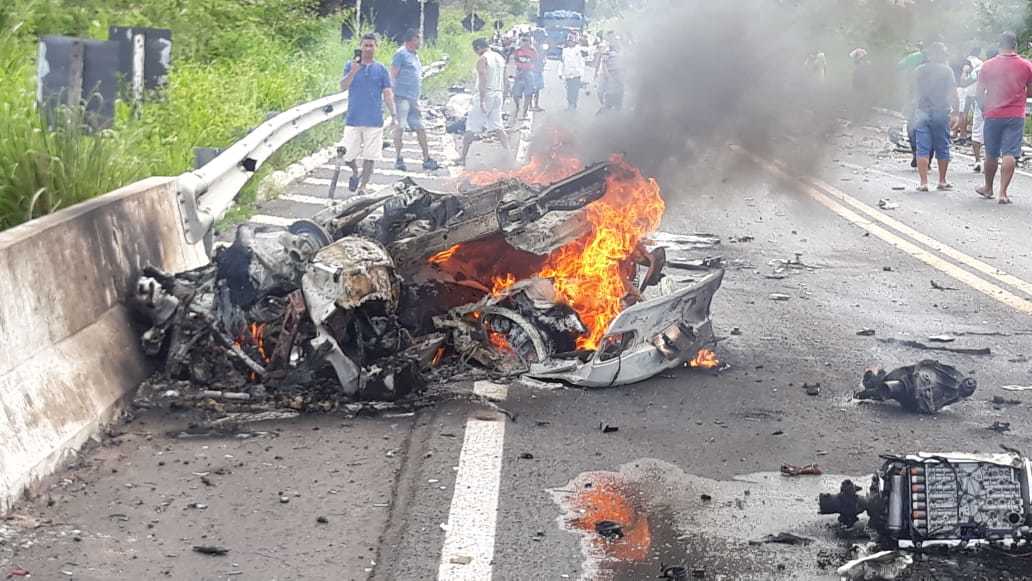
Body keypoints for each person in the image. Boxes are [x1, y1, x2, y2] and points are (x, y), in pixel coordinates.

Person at [976, 32, 1032, 204]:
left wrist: (984, 108)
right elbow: (1030, 90)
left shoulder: (987, 66)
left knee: (991, 153)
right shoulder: (1026, 66)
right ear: (1015, 45)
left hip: (993, 113)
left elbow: (979, 92)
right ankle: (1003, 193)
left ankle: (988, 188)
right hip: (1015, 115)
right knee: (1010, 153)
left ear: (999, 45)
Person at [340, 33, 397, 195]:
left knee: (370, 156)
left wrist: (394, 114)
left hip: (374, 119)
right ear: (360, 46)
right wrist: (353, 71)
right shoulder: (350, 66)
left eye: (371, 45)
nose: (368, 48)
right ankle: (355, 172)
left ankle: (363, 186)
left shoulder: (381, 69)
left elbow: (387, 93)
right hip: (353, 118)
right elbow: (342, 86)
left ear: (376, 47)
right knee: (347, 155)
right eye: (365, 45)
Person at [390, 29, 439, 172]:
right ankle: (398, 159)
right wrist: (392, 95)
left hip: (413, 98)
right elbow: (393, 75)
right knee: (400, 127)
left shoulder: (414, 56)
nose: (420, 41)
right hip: (402, 97)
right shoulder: (401, 54)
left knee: (420, 127)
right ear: (411, 40)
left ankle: (426, 159)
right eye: (418, 39)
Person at [912, 42, 957, 192]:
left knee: (922, 148)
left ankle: (923, 182)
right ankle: (942, 181)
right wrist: (956, 112)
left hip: (922, 112)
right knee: (942, 146)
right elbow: (953, 92)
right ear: (941, 55)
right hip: (941, 112)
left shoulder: (918, 70)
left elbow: (912, 91)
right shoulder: (947, 71)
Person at [460, 38, 511, 166]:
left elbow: (483, 78)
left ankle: (462, 157)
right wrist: (503, 96)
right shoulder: (500, 58)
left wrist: (482, 100)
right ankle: (509, 155)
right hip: (498, 93)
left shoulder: (483, 59)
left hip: (486, 93)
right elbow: (506, 80)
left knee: (471, 126)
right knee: (498, 126)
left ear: (478, 48)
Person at [897, 43, 927, 168]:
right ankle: (927, 158)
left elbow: (898, 67)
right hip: (933, 99)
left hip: (913, 95)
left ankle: (916, 154)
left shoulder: (912, 57)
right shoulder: (939, 58)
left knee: (912, 125)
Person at [510, 34, 538, 120]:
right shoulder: (517, 51)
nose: (525, 42)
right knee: (515, 93)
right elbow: (513, 61)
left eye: (527, 41)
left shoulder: (533, 51)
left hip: (528, 73)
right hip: (519, 73)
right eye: (523, 40)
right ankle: (517, 107)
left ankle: (524, 112)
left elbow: (536, 62)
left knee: (528, 94)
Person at [597, 32, 624, 112]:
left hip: (619, 73)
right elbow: (603, 63)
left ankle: (617, 109)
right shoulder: (606, 50)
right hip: (610, 73)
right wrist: (607, 74)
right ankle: (605, 108)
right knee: (605, 92)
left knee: (619, 92)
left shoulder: (621, 50)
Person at [561, 32, 586, 111]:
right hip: (568, 74)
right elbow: (562, 62)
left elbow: (582, 63)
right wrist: (560, 73)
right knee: (569, 90)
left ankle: (573, 105)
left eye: (571, 41)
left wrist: (581, 73)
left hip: (576, 74)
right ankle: (570, 104)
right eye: (569, 41)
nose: (570, 42)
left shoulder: (579, 50)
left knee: (575, 91)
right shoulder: (565, 50)